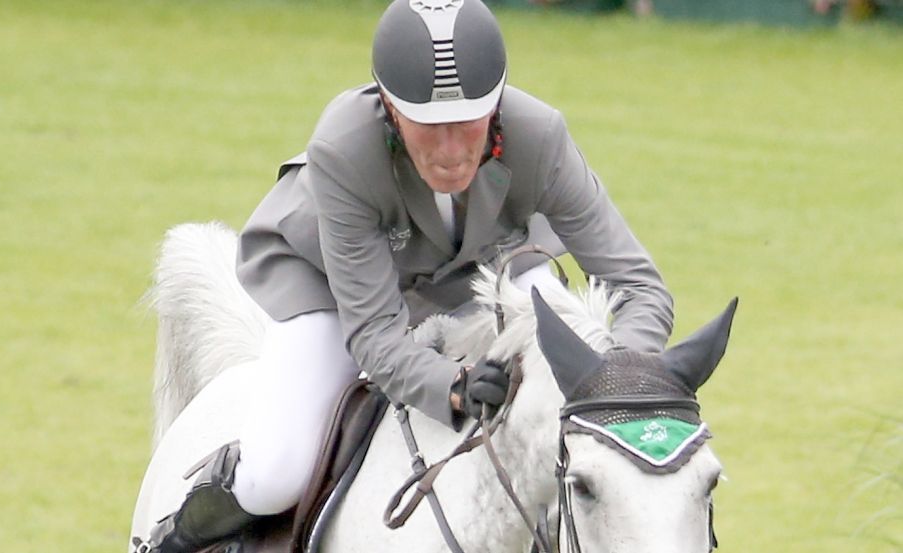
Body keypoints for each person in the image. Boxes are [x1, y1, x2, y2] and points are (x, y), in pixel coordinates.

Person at [145, 0, 673, 550]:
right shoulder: (344, 148)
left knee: (565, 354)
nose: (449, 153)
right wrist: (454, 388)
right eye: (427, 126)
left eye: (467, 123)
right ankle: (174, 536)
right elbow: (375, 334)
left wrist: (617, 382)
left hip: (478, 271)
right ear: (391, 110)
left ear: (496, 106)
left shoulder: (540, 135)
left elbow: (640, 285)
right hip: (330, 286)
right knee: (274, 474)